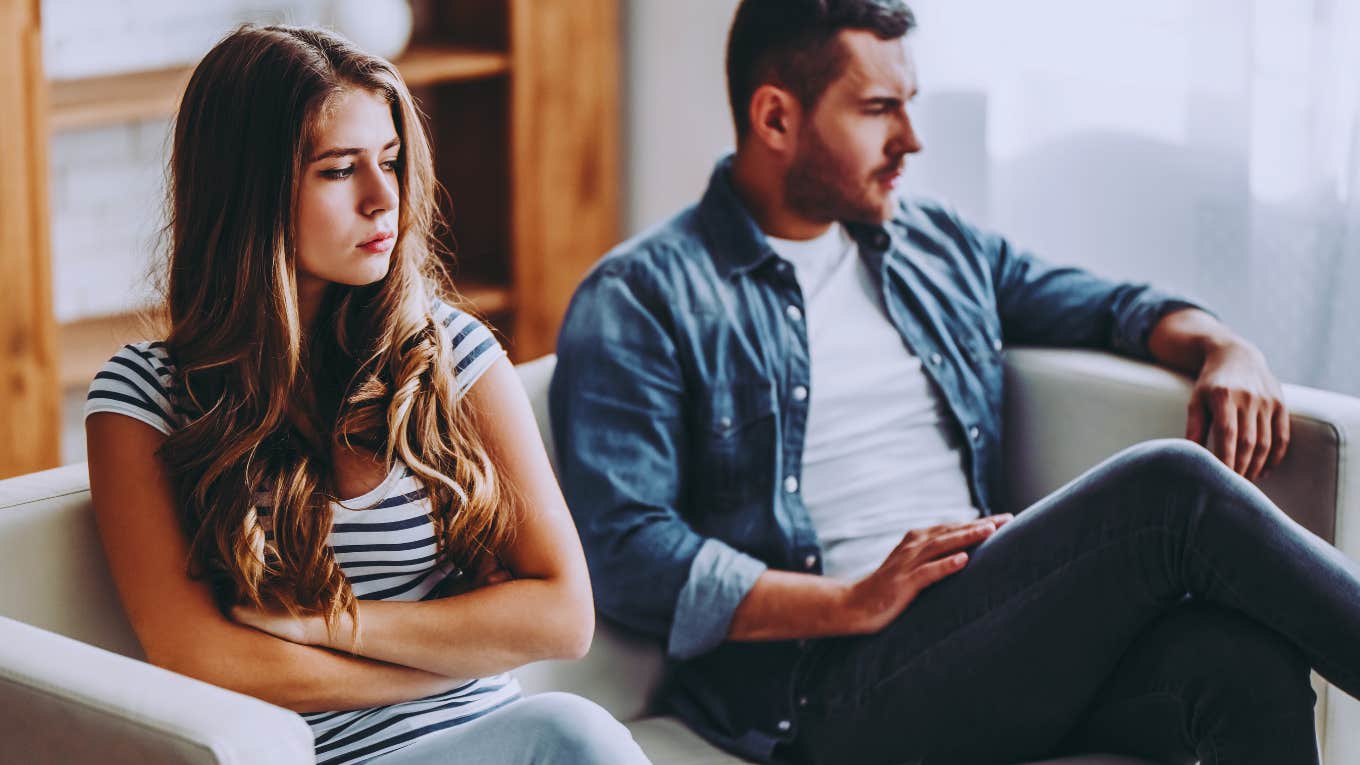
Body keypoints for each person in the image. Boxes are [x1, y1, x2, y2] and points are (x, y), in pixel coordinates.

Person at [549, 2, 1360, 763]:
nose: (911, 139)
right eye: (876, 109)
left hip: (983, 637)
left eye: (910, 104)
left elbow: (1109, 308)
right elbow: (628, 550)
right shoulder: (643, 295)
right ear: (775, 118)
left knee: (1239, 658)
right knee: (1172, 488)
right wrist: (850, 601)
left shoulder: (931, 242)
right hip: (825, 686)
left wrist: (1225, 344)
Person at [84, 25, 649, 765]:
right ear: (249, 192)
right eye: (339, 170)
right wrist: (454, 648)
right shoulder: (140, 399)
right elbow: (200, 659)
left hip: (500, 739)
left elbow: (563, 616)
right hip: (324, 755)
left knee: (574, 732)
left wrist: (323, 624)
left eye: (390, 161)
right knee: (571, 733)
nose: (385, 198)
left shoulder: (453, 353)